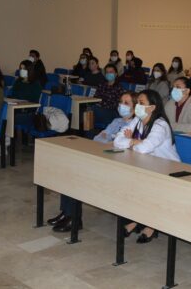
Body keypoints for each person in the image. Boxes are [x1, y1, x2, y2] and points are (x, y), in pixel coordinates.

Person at [48, 92, 140, 234]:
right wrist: (111, 141)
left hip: (117, 165)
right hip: (103, 156)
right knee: (69, 171)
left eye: (126, 103)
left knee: (77, 176)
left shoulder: (136, 126)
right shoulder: (116, 121)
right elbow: (99, 138)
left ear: (135, 107)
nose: (122, 105)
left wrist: (111, 141)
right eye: (121, 101)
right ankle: (66, 212)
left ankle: (74, 218)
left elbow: (123, 146)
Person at [114, 90, 180, 243]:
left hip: (168, 169)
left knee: (147, 187)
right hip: (147, 165)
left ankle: (151, 226)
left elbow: (144, 148)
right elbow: (117, 140)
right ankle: (137, 220)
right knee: (132, 184)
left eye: (141, 103)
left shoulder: (160, 125)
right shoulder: (138, 120)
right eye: (137, 103)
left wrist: (132, 142)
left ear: (152, 107)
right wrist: (134, 142)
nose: (137, 106)